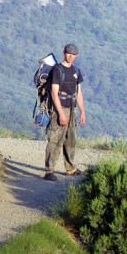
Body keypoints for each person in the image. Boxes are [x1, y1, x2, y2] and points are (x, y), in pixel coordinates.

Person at [43, 43, 86, 181]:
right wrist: (61, 114)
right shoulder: (57, 70)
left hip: (72, 109)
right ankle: (49, 171)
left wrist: (82, 111)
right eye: (68, 53)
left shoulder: (76, 71)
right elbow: (55, 93)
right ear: (64, 53)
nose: (71, 56)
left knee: (70, 139)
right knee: (55, 139)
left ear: (76, 56)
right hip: (60, 109)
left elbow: (78, 93)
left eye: (73, 54)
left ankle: (70, 168)